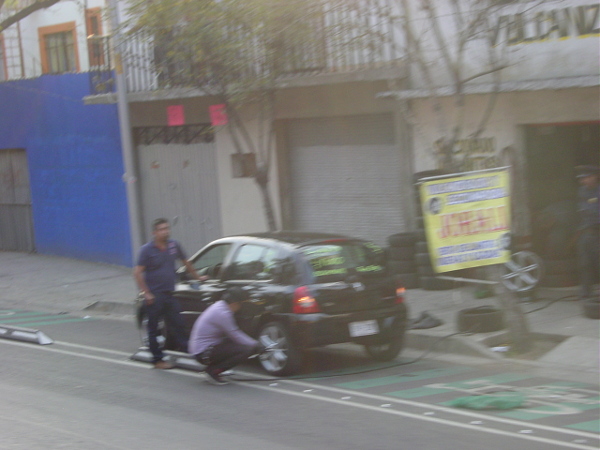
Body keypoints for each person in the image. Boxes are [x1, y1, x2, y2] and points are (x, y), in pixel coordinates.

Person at [134, 218, 200, 369]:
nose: (166, 231)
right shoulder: (147, 250)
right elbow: (137, 273)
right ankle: (158, 360)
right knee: (153, 329)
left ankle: (190, 353)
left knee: (179, 324)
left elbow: (186, 262)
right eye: (162, 229)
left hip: (170, 294)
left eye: (167, 228)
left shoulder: (173, 245)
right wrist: (147, 293)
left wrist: (198, 277)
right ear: (154, 233)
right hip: (154, 296)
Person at [189, 286, 265, 385]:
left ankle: (216, 368)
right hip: (203, 353)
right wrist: (256, 345)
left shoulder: (220, 306)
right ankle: (213, 371)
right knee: (246, 350)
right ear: (235, 303)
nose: (242, 307)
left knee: (238, 344)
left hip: (204, 348)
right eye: (242, 304)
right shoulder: (223, 313)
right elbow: (236, 335)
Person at [575, 165, 600, 300]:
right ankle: (586, 293)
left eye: (586, 178)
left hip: (598, 232)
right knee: (584, 263)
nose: (583, 181)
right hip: (586, 232)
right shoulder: (582, 192)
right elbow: (582, 212)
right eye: (582, 179)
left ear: (595, 177)